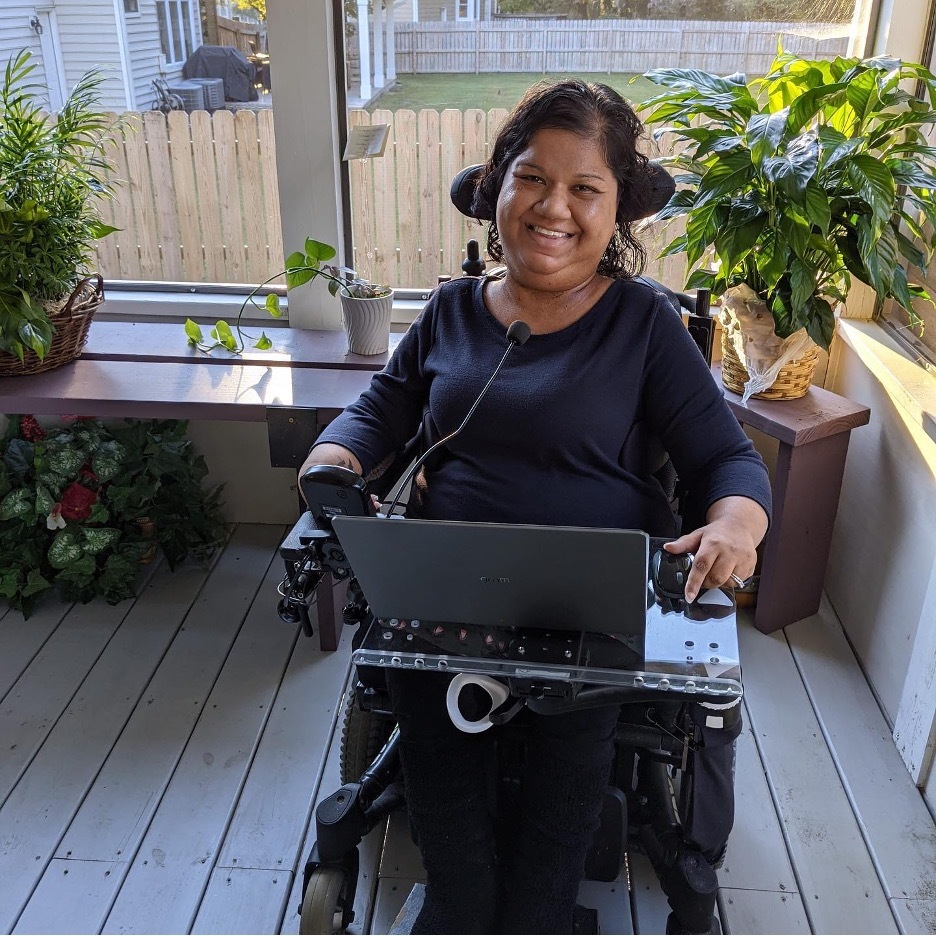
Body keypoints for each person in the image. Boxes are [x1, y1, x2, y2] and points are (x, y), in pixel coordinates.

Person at [301, 79, 770, 935]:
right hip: (446, 592)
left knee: (566, 774)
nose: (554, 207)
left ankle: (538, 910)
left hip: (589, 610)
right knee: (442, 771)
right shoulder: (449, 311)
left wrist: (738, 518)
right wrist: (336, 455)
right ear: (497, 191)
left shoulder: (643, 323)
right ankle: (460, 898)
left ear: (616, 207)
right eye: (532, 179)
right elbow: (380, 411)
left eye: (585, 188)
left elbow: (725, 457)